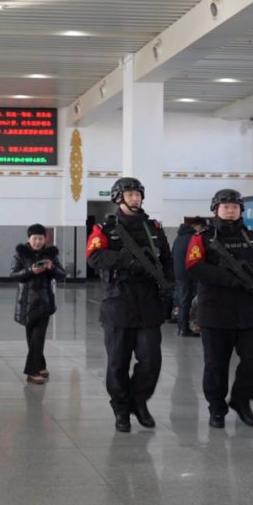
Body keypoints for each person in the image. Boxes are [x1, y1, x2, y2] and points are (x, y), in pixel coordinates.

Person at [86, 178, 174, 433]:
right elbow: (94, 257)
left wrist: (171, 285)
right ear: (118, 198)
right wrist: (127, 261)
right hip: (118, 303)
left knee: (151, 361)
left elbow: (167, 260)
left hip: (149, 302)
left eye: (138, 194)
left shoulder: (153, 227)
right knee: (118, 363)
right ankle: (121, 409)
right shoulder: (105, 229)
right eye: (130, 194)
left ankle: (139, 401)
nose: (136, 198)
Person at [185, 189, 253, 428]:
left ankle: (241, 400)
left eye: (235, 207)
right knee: (216, 364)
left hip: (248, 310)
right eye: (225, 207)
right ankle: (216, 408)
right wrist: (231, 280)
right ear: (215, 209)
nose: (230, 211)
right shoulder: (203, 238)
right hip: (215, 310)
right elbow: (193, 266)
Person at [11, 225, 66, 384]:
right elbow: (14, 275)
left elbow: (62, 275)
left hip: (44, 302)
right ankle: (40, 365)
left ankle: (32, 371)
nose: (37, 242)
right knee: (32, 338)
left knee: (38, 337)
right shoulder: (21, 254)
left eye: (40, 238)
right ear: (29, 239)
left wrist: (51, 268)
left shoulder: (51, 255)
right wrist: (30, 271)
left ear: (45, 239)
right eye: (34, 238)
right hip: (26, 303)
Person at [172, 216, 207, 338]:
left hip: (178, 272)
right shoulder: (192, 237)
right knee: (186, 301)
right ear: (198, 226)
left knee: (182, 300)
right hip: (188, 273)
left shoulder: (179, 236)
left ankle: (181, 326)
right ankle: (184, 328)